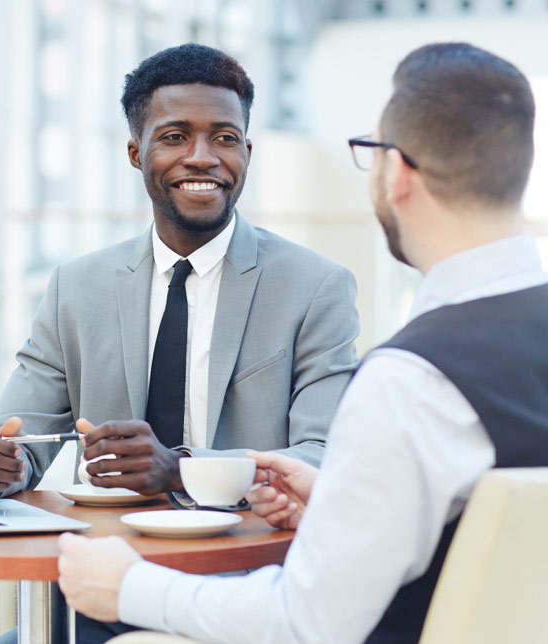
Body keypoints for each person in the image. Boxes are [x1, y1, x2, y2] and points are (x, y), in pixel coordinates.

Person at [57, 42, 548, 643]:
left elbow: (306, 622)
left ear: (397, 173)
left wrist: (127, 586)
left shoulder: (412, 380)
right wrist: (341, 502)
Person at [0, 42, 359, 505]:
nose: (202, 157)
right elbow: (16, 440)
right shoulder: (76, 289)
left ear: (246, 151)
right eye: (175, 136)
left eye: (224, 138)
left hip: (247, 560)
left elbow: (324, 457)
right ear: (136, 153)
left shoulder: (316, 288)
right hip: (105, 557)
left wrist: (181, 470)